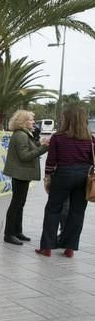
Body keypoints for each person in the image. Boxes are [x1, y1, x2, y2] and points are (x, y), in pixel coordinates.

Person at [36, 107, 95, 258]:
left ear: (67, 120)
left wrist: (48, 177)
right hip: (83, 176)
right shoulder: (90, 138)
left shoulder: (58, 137)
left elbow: (51, 160)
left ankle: (47, 247)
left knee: (53, 209)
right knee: (77, 212)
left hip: (63, 174)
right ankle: (70, 248)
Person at [2, 110, 49, 245]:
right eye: (31, 120)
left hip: (22, 174)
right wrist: (44, 147)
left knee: (20, 204)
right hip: (20, 174)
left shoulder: (24, 134)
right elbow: (25, 156)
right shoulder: (21, 135)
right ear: (23, 121)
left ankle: (17, 231)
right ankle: (9, 233)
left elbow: (29, 150)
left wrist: (40, 144)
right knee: (16, 204)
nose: (34, 122)